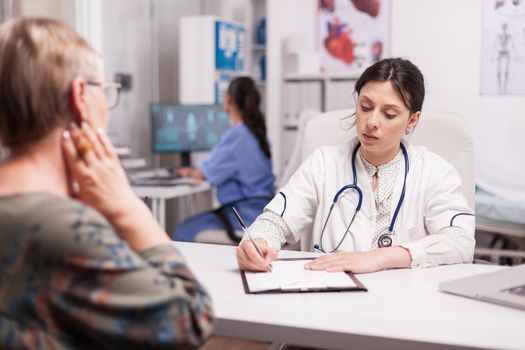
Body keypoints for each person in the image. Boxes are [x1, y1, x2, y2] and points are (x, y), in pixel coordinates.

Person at [0, 18, 213, 349]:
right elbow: (189, 319)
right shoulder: (63, 228)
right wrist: (127, 207)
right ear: (80, 95)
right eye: (106, 89)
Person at [237, 58, 476, 273]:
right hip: (329, 301)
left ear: (412, 120)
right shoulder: (323, 164)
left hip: (404, 305)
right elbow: (276, 222)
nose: (371, 122)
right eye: (365, 107)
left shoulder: (434, 172)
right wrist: (258, 242)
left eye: (389, 114)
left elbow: (460, 241)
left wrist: (381, 257)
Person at [172, 77, 275, 243]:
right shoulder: (258, 132)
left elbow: (201, 174)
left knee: (182, 232)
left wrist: (181, 171)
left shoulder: (237, 135)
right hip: (261, 210)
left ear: (228, 99)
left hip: (243, 215)